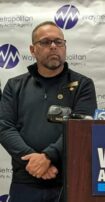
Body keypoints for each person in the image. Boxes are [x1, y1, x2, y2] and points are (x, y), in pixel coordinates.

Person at [0, 21, 97, 202]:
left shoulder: (83, 85)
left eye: (58, 42)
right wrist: (34, 162)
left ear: (65, 46)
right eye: (45, 42)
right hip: (25, 182)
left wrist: (48, 156)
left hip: (70, 181)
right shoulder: (15, 85)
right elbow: (4, 127)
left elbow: (82, 128)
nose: (53, 46)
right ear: (32, 49)